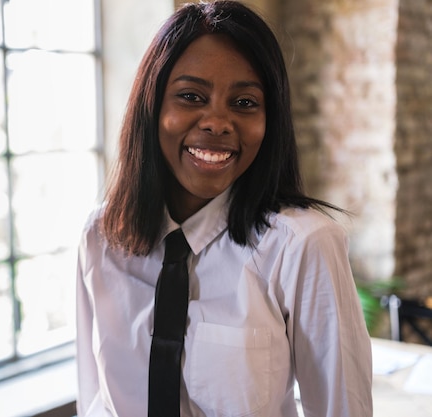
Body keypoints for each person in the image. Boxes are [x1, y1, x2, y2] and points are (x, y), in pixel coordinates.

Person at [75, 1, 373, 416]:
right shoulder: (102, 234)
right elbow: (95, 397)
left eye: (245, 103)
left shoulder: (302, 246)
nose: (217, 122)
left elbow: (343, 409)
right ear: (152, 106)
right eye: (191, 96)